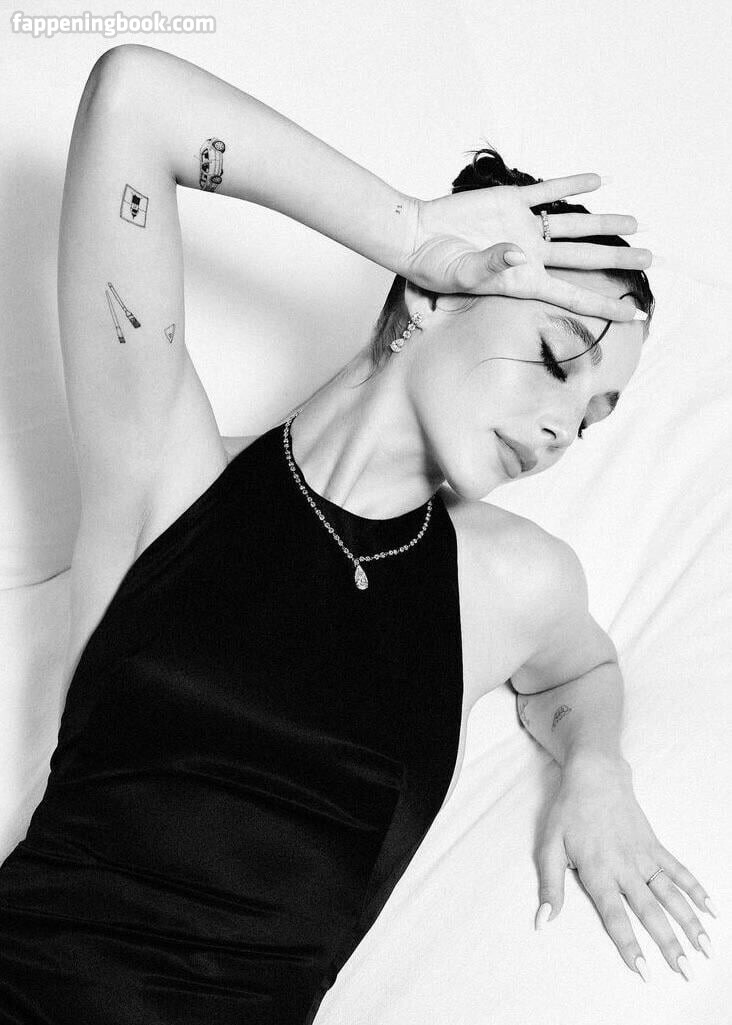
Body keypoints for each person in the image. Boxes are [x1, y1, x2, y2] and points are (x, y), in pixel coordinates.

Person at [0, 43, 714, 1023]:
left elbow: (580, 670)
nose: (562, 427)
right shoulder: (169, 468)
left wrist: (598, 767)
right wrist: (411, 229)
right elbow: (134, 101)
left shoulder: (510, 581)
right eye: (556, 359)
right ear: (434, 295)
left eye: (594, 416)